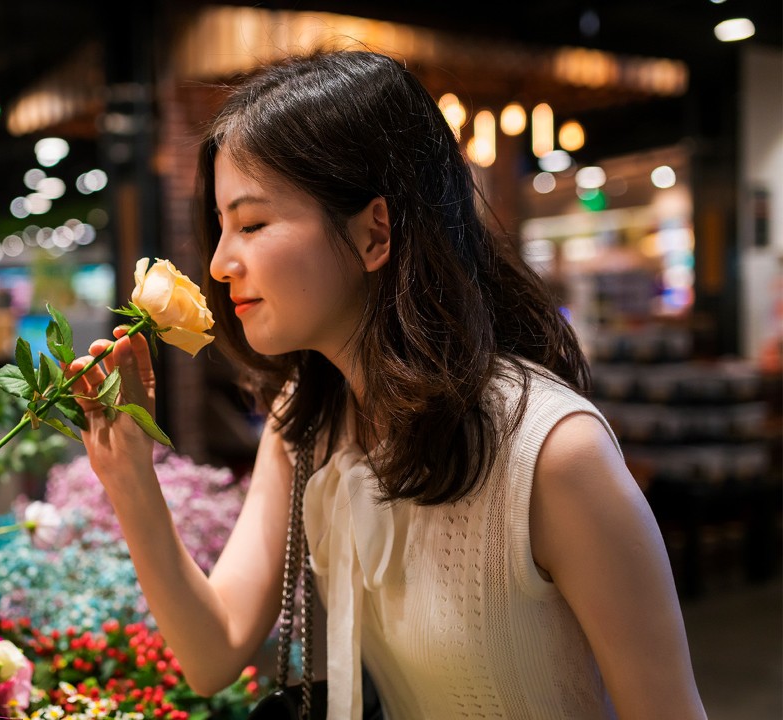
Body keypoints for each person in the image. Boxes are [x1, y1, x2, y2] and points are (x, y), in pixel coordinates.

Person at [65, 50, 705, 719]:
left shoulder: (551, 454)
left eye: (252, 224)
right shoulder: (305, 422)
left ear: (375, 232)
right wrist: (130, 472)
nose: (222, 263)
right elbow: (213, 652)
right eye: (223, 227)